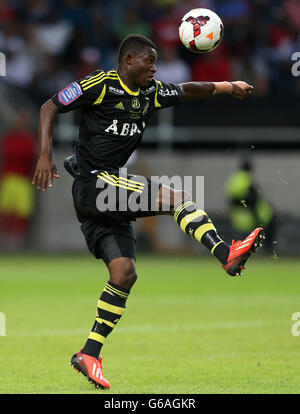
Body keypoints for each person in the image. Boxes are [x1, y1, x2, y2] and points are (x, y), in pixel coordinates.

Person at [32, 34, 264, 390]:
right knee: (176, 197)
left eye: (156, 62)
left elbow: (188, 89)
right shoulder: (100, 84)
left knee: (124, 273)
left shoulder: (151, 94)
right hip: (95, 184)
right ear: (128, 61)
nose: (154, 68)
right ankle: (226, 252)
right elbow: (50, 106)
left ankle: (89, 353)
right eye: (149, 61)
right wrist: (45, 154)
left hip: (107, 197)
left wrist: (226, 85)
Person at [225, 160, 275, 252]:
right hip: (250, 216)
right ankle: (267, 251)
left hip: (237, 216)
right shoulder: (248, 180)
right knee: (264, 232)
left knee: (241, 241)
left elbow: (231, 199)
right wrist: (256, 216)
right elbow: (253, 200)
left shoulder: (233, 180)